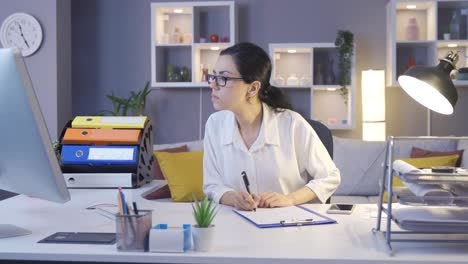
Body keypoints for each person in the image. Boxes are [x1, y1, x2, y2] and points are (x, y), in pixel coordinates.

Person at [203, 42, 340, 211]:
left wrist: (289, 199)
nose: (213, 84)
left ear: (252, 88)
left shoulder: (292, 124)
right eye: (213, 76)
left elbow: (329, 176)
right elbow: (211, 184)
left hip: (288, 225)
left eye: (223, 78)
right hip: (237, 224)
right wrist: (232, 197)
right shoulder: (214, 125)